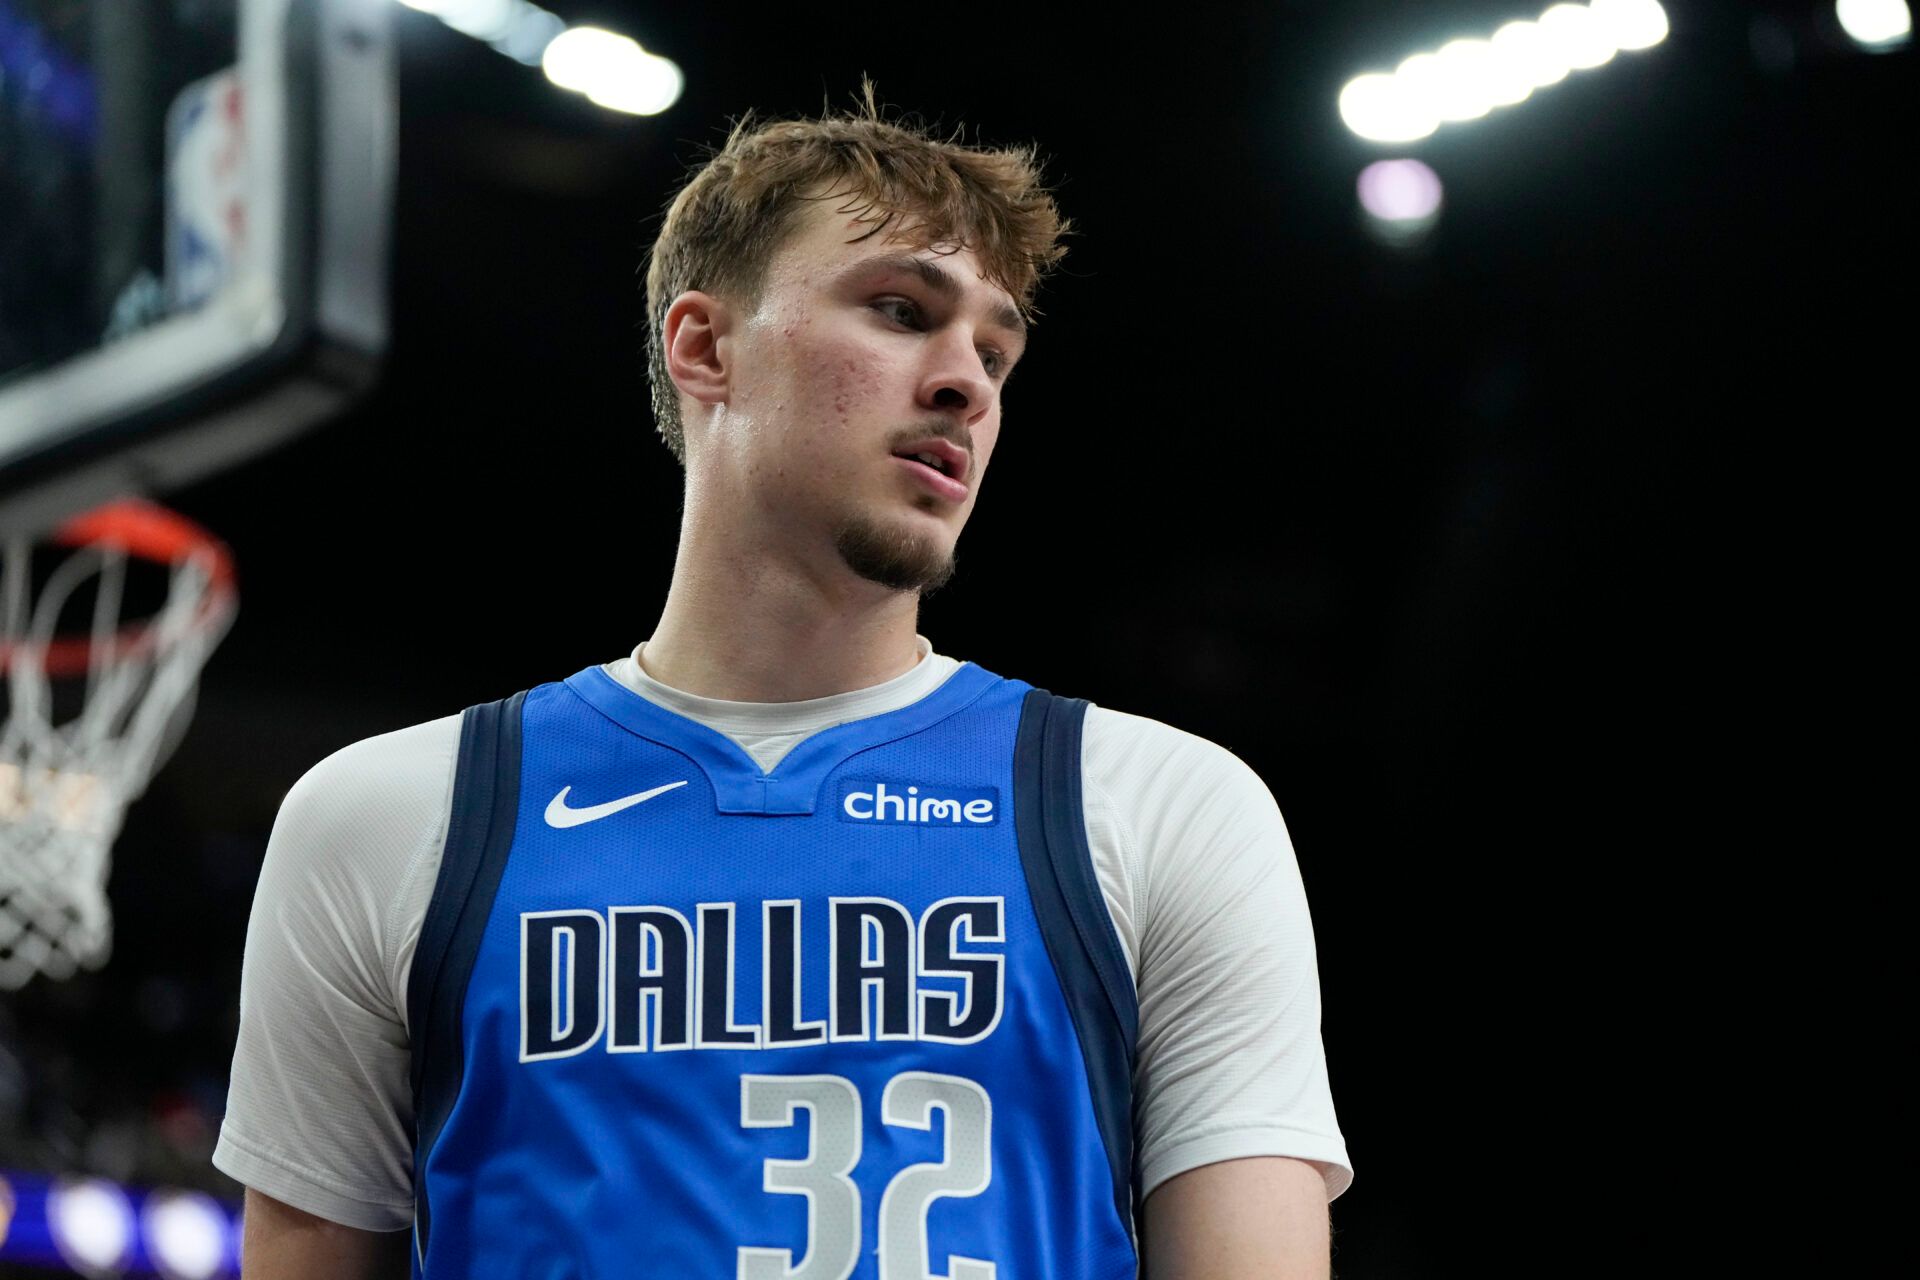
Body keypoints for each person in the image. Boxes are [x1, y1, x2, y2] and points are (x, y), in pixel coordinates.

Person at [214, 82, 1352, 1278]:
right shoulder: (391, 814)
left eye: (996, 349)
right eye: (903, 309)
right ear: (705, 346)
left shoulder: (1161, 803)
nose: (968, 380)